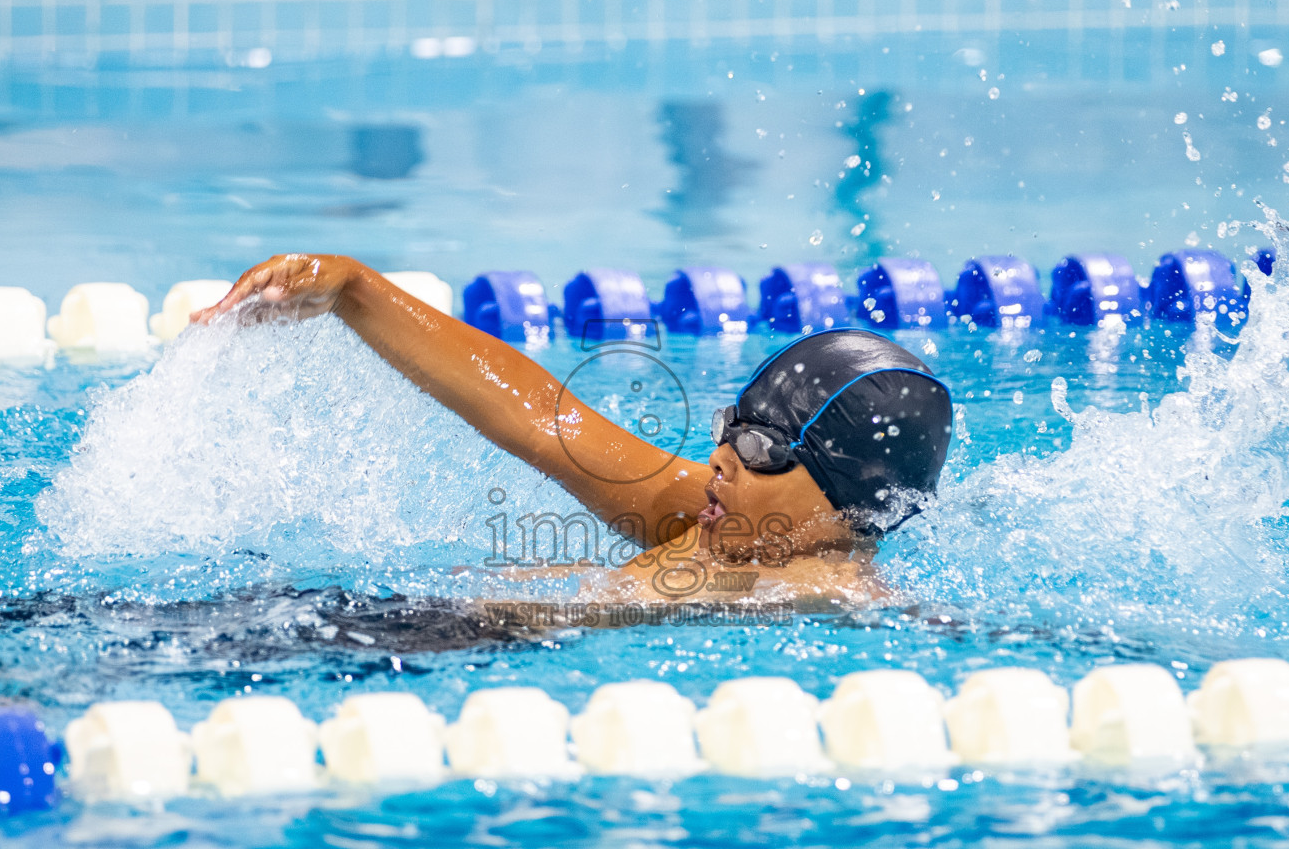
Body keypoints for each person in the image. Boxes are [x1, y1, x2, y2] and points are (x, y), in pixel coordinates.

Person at [194, 254, 953, 612]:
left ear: (849, 503)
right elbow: (543, 418)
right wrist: (354, 289)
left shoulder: (824, 588)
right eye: (730, 427)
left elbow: (610, 606)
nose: (720, 459)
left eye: (760, 451)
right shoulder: (728, 515)